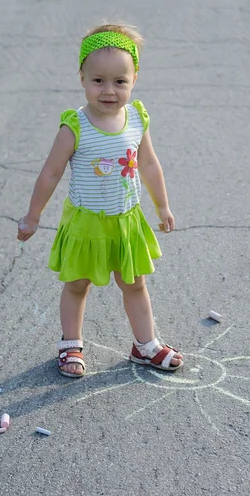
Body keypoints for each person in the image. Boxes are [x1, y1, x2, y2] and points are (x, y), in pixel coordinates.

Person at [17, 23, 183, 378]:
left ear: (134, 78)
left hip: (126, 221)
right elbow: (50, 173)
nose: (109, 91)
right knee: (78, 284)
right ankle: (70, 344)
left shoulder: (137, 118)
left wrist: (162, 206)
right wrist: (33, 216)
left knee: (135, 283)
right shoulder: (74, 126)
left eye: (119, 81)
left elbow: (150, 165)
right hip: (86, 223)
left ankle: (145, 345)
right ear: (82, 78)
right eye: (98, 80)